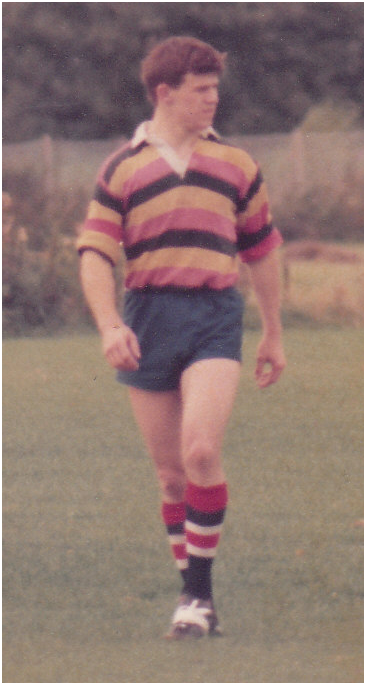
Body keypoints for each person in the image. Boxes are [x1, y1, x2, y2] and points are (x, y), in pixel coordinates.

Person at [77, 35, 286, 640]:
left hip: (215, 316)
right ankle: (192, 595)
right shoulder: (121, 167)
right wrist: (110, 324)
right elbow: (95, 253)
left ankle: (197, 596)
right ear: (164, 93)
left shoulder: (238, 165)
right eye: (201, 90)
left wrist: (274, 333)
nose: (213, 99)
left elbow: (263, 252)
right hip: (146, 319)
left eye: (216, 88)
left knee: (200, 452)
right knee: (170, 475)